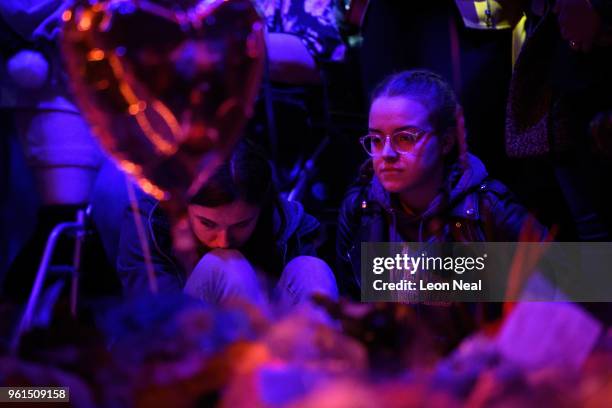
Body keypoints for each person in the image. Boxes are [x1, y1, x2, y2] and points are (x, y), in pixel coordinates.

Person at [336, 70, 547, 300]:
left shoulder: (488, 208)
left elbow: (567, 287)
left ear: (445, 142)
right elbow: (350, 304)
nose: (386, 154)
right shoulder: (361, 208)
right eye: (376, 140)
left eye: (405, 137)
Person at [117, 141, 338, 309]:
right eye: (207, 223)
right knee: (226, 266)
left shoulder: (369, 208)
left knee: (311, 269)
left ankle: (324, 366)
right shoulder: (149, 222)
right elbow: (153, 318)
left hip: (277, 340)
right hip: (187, 344)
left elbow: (371, 292)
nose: (224, 240)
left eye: (242, 224)